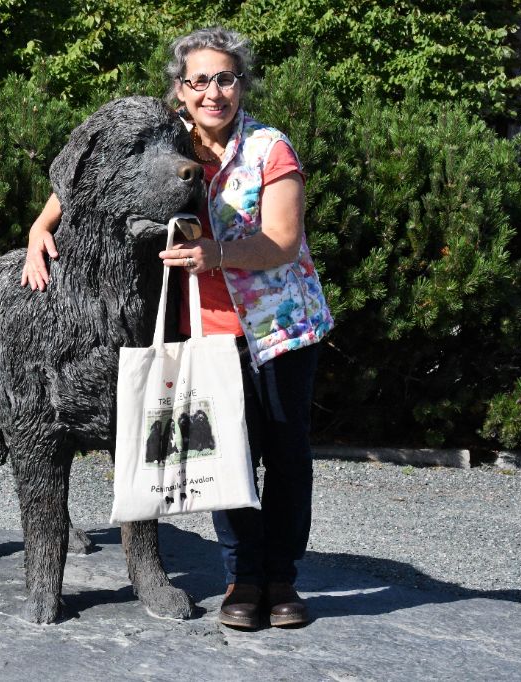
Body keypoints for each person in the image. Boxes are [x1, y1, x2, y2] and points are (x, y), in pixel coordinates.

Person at [21, 27, 333, 629]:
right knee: (227, 454)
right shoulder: (168, 139)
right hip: (207, 328)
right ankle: (242, 579)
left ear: (241, 84)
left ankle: (282, 580)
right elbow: (83, 183)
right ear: (180, 88)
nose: (212, 92)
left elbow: (284, 242)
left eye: (225, 78)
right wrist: (39, 227)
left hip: (278, 328)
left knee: (287, 455)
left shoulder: (269, 148)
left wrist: (215, 255)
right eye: (199, 80)